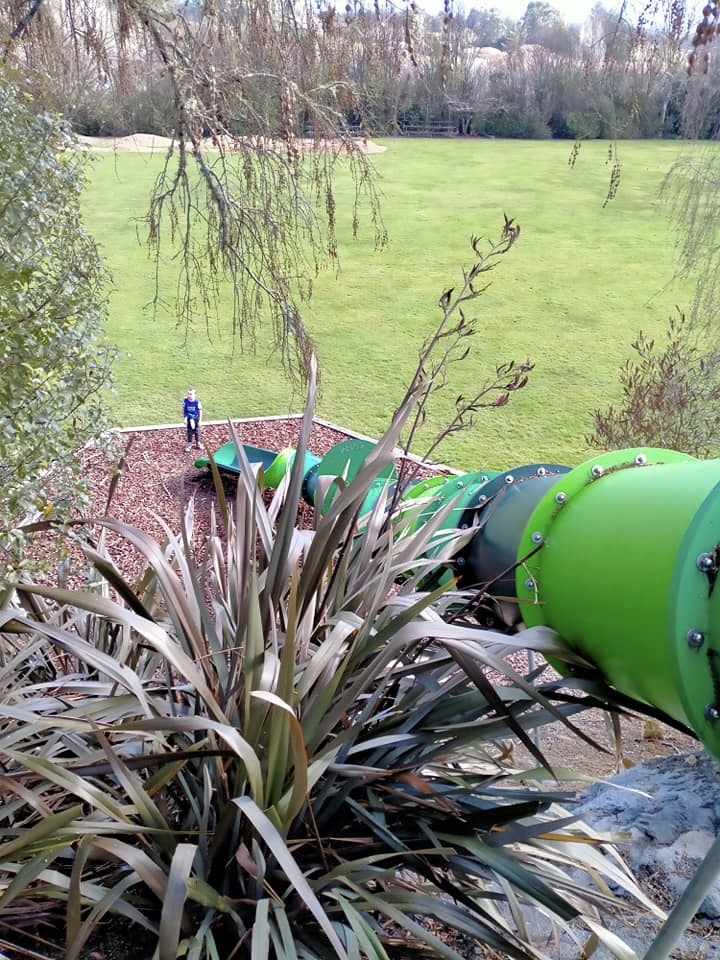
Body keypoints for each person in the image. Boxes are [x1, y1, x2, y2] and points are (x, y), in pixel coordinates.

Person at [182, 387, 202, 451]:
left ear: (194, 395)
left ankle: (198, 443)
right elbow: (183, 409)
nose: (189, 395)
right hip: (189, 418)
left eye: (191, 394)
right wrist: (185, 417)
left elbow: (200, 411)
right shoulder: (185, 401)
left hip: (195, 418)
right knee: (189, 431)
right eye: (188, 394)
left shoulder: (197, 402)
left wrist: (200, 420)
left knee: (196, 431)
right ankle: (189, 444)